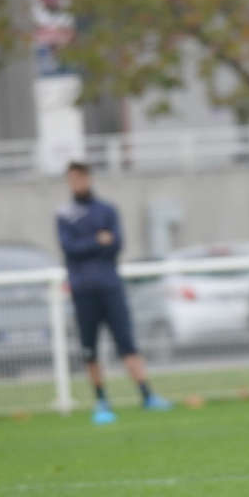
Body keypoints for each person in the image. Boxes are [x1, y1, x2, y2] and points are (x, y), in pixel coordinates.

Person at [56, 162, 172, 423]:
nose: (78, 183)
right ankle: (101, 401)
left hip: (110, 286)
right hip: (82, 290)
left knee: (126, 341)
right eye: (73, 179)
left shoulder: (106, 209)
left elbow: (116, 243)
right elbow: (69, 248)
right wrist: (97, 241)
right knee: (90, 348)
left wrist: (93, 244)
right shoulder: (64, 214)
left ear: (89, 179)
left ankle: (146, 395)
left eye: (82, 178)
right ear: (68, 181)